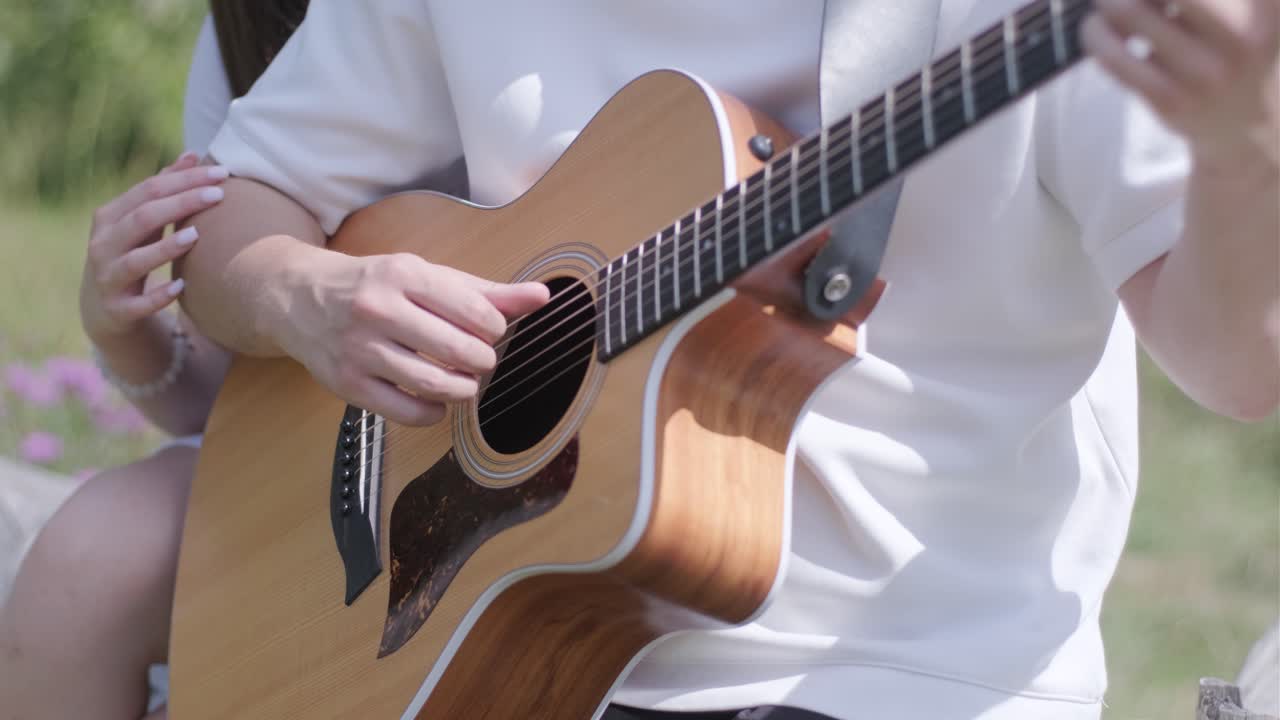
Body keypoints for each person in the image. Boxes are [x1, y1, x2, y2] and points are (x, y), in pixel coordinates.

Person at [177, 1, 1278, 718]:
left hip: (911, 674)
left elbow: (1242, 367)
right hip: (487, 641)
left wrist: (1239, 144)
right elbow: (230, 217)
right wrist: (309, 295)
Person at [0, 4, 307, 719]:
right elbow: (218, 398)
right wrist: (123, 330)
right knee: (90, 558)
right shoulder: (247, 31)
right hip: (328, 451)